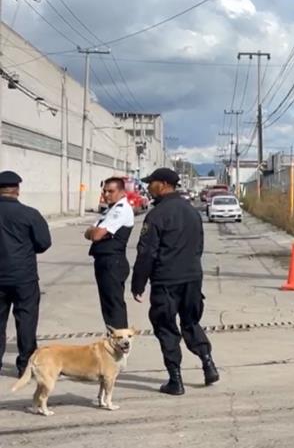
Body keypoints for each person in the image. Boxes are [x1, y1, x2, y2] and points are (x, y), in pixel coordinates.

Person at [131, 167, 219, 395]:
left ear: (163, 184)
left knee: (166, 326)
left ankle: (175, 380)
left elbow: (146, 252)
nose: (149, 188)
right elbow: (199, 246)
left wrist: (138, 283)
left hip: (166, 281)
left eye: (151, 183)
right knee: (190, 322)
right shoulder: (191, 211)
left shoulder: (157, 215)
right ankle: (208, 364)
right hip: (192, 277)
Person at [0, 171, 52, 377]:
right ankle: (25, 366)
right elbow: (43, 243)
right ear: (18, 190)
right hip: (24, 277)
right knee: (26, 321)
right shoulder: (30, 214)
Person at [84, 177, 134, 329]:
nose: (106, 194)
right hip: (104, 261)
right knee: (107, 306)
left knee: (114, 306)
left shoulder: (120, 209)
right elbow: (89, 233)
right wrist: (95, 232)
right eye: (104, 191)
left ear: (121, 192)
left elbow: (96, 235)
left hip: (113, 262)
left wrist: (96, 232)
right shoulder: (109, 210)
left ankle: (120, 343)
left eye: (111, 191)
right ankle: (113, 340)